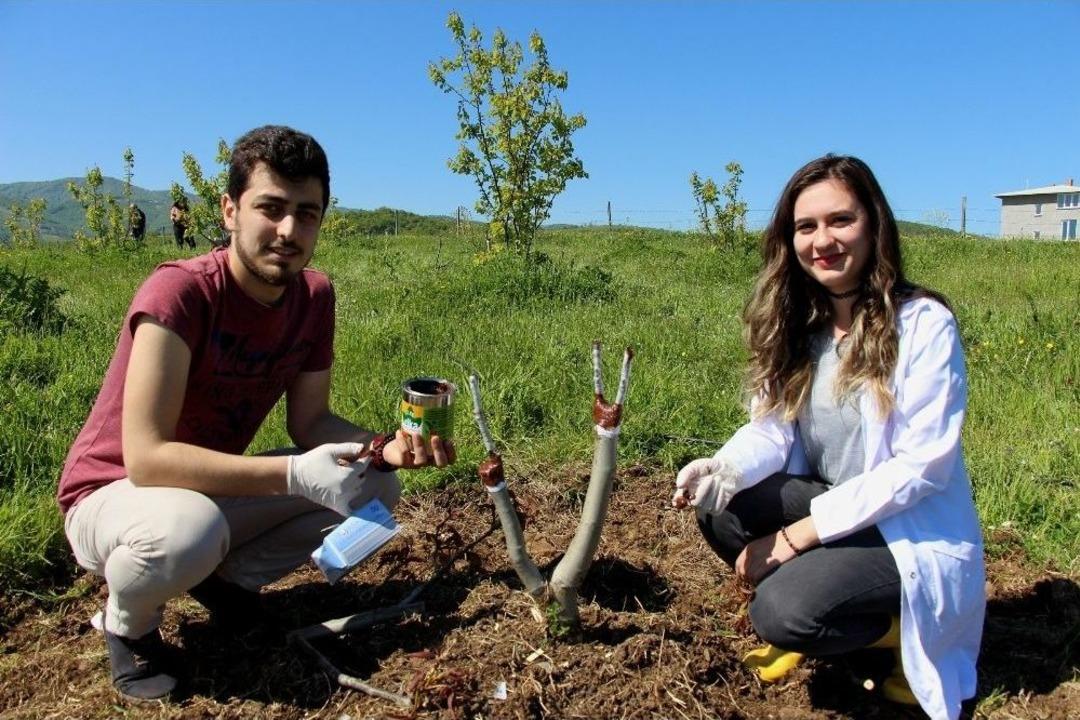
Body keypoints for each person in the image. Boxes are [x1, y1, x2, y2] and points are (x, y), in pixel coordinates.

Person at [57, 125, 456, 702]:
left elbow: (311, 423)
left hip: (202, 488)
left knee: (375, 489)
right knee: (188, 531)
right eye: (270, 208)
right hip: (111, 494)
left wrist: (383, 448)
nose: (289, 230)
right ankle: (128, 626)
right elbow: (145, 459)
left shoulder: (312, 298)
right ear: (229, 211)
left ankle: (224, 584)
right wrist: (295, 475)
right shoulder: (181, 294)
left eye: (307, 213)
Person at [672, 155, 984, 720]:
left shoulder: (922, 324)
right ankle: (828, 598)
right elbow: (771, 427)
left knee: (782, 613)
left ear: (874, 224)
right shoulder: (802, 323)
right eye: (806, 226)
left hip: (901, 529)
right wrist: (723, 467)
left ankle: (900, 632)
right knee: (721, 506)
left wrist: (794, 539)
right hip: (837, 506)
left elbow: (920, 468)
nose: (823, 240)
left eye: (841, 220)